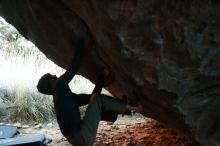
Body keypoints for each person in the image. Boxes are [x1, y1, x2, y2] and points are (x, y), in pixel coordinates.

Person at [37, 38, 142, 146]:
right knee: (97, 99)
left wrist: (101, 79)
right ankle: (135, 107)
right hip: (82, 136)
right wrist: (80, 41)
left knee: (95, 103)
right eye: (51, 77)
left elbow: (90, 98)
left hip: (81, 139)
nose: (55, 76)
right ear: (51, 85)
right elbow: (74, 67)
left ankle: (124, 111)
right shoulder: (59, 88)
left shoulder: (63, 98)